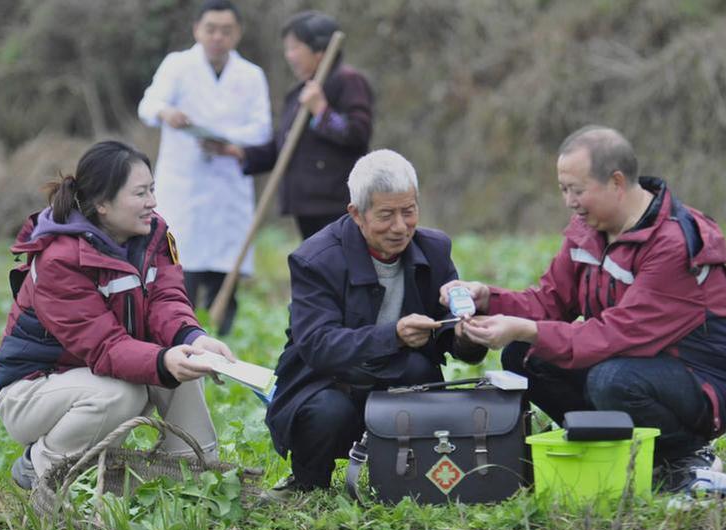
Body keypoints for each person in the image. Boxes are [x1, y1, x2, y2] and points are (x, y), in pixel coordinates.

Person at [441, 126, 726, 491]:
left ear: (617, 182)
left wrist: (525, 327)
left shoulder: (672, 243)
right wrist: (487, 298)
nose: (569, 202)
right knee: (525, 356)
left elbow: (617, 335)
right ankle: (613, 451)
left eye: (577, 190)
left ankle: (684, 455)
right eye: (563, 190)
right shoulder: (588, 230)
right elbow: (548, 302)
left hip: (704, 381)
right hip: (633, 362)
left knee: (612, 380)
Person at [0, 141, 234, 489]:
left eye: (152, 189)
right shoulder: (60, 259)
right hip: (34, 388)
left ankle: (196, 471)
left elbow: (167, 299)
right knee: (124, 393)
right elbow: (105, 347)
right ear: (103, 203)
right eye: (140, 193)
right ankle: (41, 465)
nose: (152, 202)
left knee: (188, 359)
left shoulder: (153, 234)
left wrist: (193, 338)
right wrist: (164, 361)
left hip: (98, 370)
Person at [265, 149, 486, 495]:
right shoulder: (316, 260)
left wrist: (467, 333)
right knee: (327, 410)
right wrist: (393, 335)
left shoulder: (434, 249)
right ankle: (308, 484)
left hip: (395, 380)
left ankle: (410, 478)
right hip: (327, 384)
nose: (400, 227)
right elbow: (318, 346)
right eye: (386, 215)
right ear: (356, 214)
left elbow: (453, 345)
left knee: (417, 370)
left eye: (409, 211)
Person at [138, 0, 272, 335]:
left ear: (237, 33)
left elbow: (261, 130)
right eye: (211, 29)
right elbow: (148, 105)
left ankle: (223, 343)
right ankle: (178, 337)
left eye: (226, 31)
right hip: (186, 183)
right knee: (180, 268)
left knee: (225, 274)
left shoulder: (251, 75)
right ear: (197, 29)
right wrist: (167, 113)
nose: (218, 37)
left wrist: (226, 142)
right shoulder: (178, 65)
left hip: (228, 183)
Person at [207, 10, 373, 240]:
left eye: (295, 48)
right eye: (287, 49)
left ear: (319, 50)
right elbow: (285, 145)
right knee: (319, 270)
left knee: (340, 269)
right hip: (307, 204)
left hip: (335, 203)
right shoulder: (301, 91)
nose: (289, 55)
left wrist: (322, 111)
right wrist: (240, 153)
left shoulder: (347, 80)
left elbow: (357, 133)